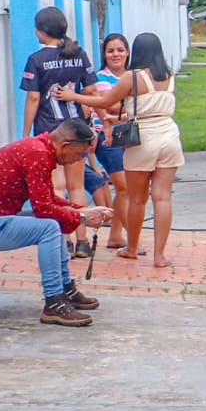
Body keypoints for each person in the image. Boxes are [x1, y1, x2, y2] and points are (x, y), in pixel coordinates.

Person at [0, 119, 110, 327]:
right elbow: (43, 208)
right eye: (80, 154)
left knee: (54, 219)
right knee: (50, 226)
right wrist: (84, 218)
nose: (78, 160)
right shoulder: (37, 154)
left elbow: (48, 200)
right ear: (65, 146)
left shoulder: (39, 149)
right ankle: (54, 302)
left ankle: (65, 288)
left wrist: (81, 210)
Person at [56, 32, 184, 267]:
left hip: (144, 139)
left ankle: (132, 249)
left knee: (137, 199)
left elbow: (105, 103)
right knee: (163, 198)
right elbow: (153, 108)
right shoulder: (168, 76)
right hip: (170, 135)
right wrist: (122, 118)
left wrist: (73, 96)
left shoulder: (132, 77)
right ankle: (159, 256)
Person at [20, 6, 97, 257]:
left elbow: (33, 97)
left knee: (57, 187)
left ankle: (64, 241)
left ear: (41, 31)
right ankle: (82, 240)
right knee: (77, 186)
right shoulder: (79, 54)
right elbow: (92, 91)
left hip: (50, 131)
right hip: (77, 127)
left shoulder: (37, 59)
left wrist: (26, 132)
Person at [91, 32, 132, 249]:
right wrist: (133, 106)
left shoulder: (133, 75)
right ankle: (133, 240)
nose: (115, 54)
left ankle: (116, 236)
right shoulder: (100, 78)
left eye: (120, 50)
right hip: (108, 137)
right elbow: (112, 107)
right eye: (110, 51)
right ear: (104, 55)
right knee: (125, 188)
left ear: (127, 52)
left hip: (131, 136)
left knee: (125, 189)